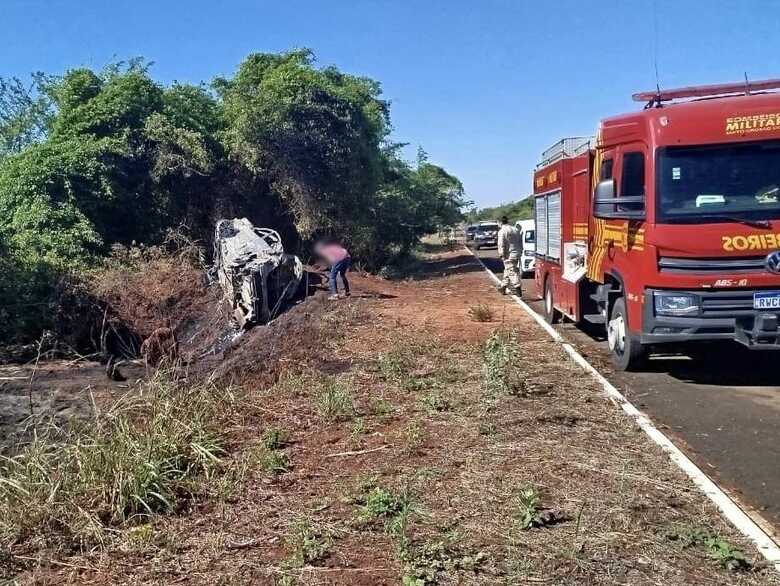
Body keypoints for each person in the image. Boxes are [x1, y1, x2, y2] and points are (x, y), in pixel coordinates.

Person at [497, 215, 522, 297]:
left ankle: (518, 289)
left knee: (512, 271)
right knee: (508, 269)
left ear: (500, 222)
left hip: (508, 254)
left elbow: (501, 244)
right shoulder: (515, 229)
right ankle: (503, 287)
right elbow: (520, 241)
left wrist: (501, 254)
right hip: (517, 253)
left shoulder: (502, 231)